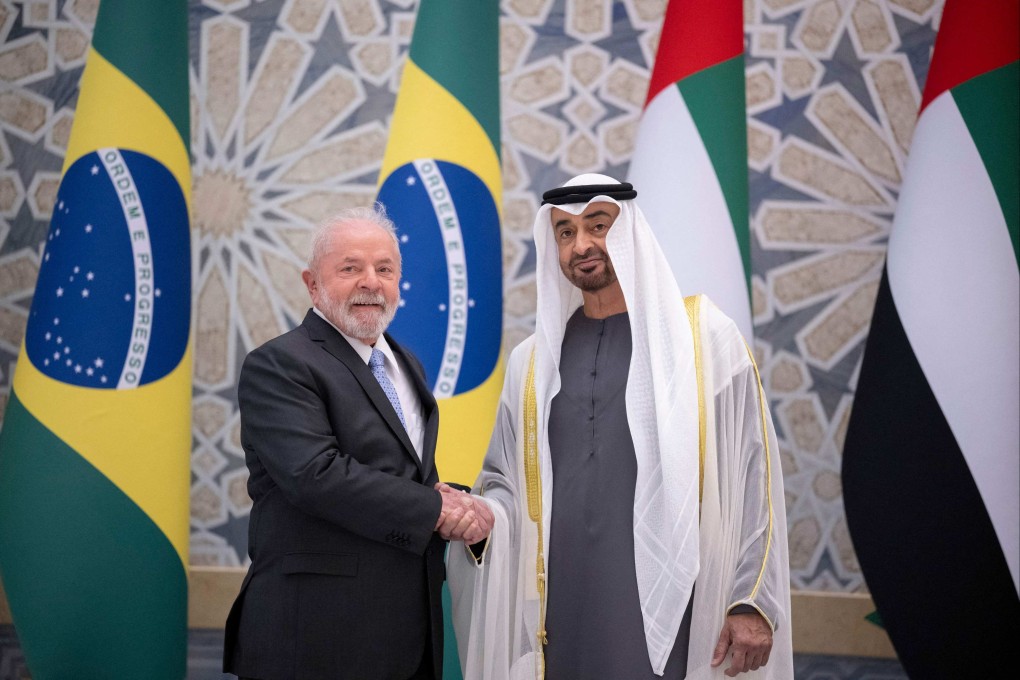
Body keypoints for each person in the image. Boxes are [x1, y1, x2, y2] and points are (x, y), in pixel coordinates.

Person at [446, 174, 793, 679]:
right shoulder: (531, 364)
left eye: (597, 225)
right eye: (565, 232)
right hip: (559, 610)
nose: (581, 244)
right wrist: (478, 513)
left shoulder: (702, 340)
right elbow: (504, 484)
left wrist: (752, 599)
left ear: (629, 231)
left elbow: (753, 477)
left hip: (675, 607)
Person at [223, 205, 493, 680]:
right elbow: (315, 475)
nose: (371, 282)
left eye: (384, 269)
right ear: (312, 283)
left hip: (406, 635)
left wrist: (453, 499)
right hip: (313, 637)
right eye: (351, 268)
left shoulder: (406, 363)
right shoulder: (280, 364)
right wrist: (436, 510)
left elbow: (404, 477)